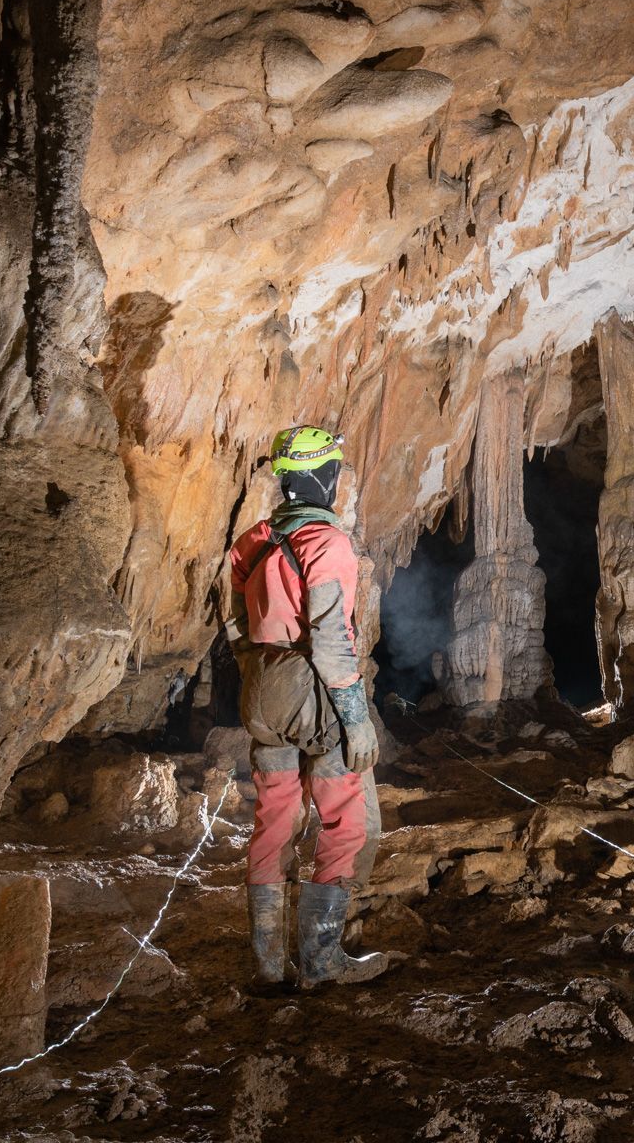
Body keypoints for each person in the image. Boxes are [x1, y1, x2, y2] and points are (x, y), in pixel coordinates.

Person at [227, 424, 390, 989]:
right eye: (336, 472)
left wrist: (258, 680)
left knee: (273, 820)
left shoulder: (254, 540)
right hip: (313, 692)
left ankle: (269, 964)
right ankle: (322, 961)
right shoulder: (328, 543)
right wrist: (356, 717)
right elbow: (331, 640)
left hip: (261, 691)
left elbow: (235, 624)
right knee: (343, 816)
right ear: (325, 476)